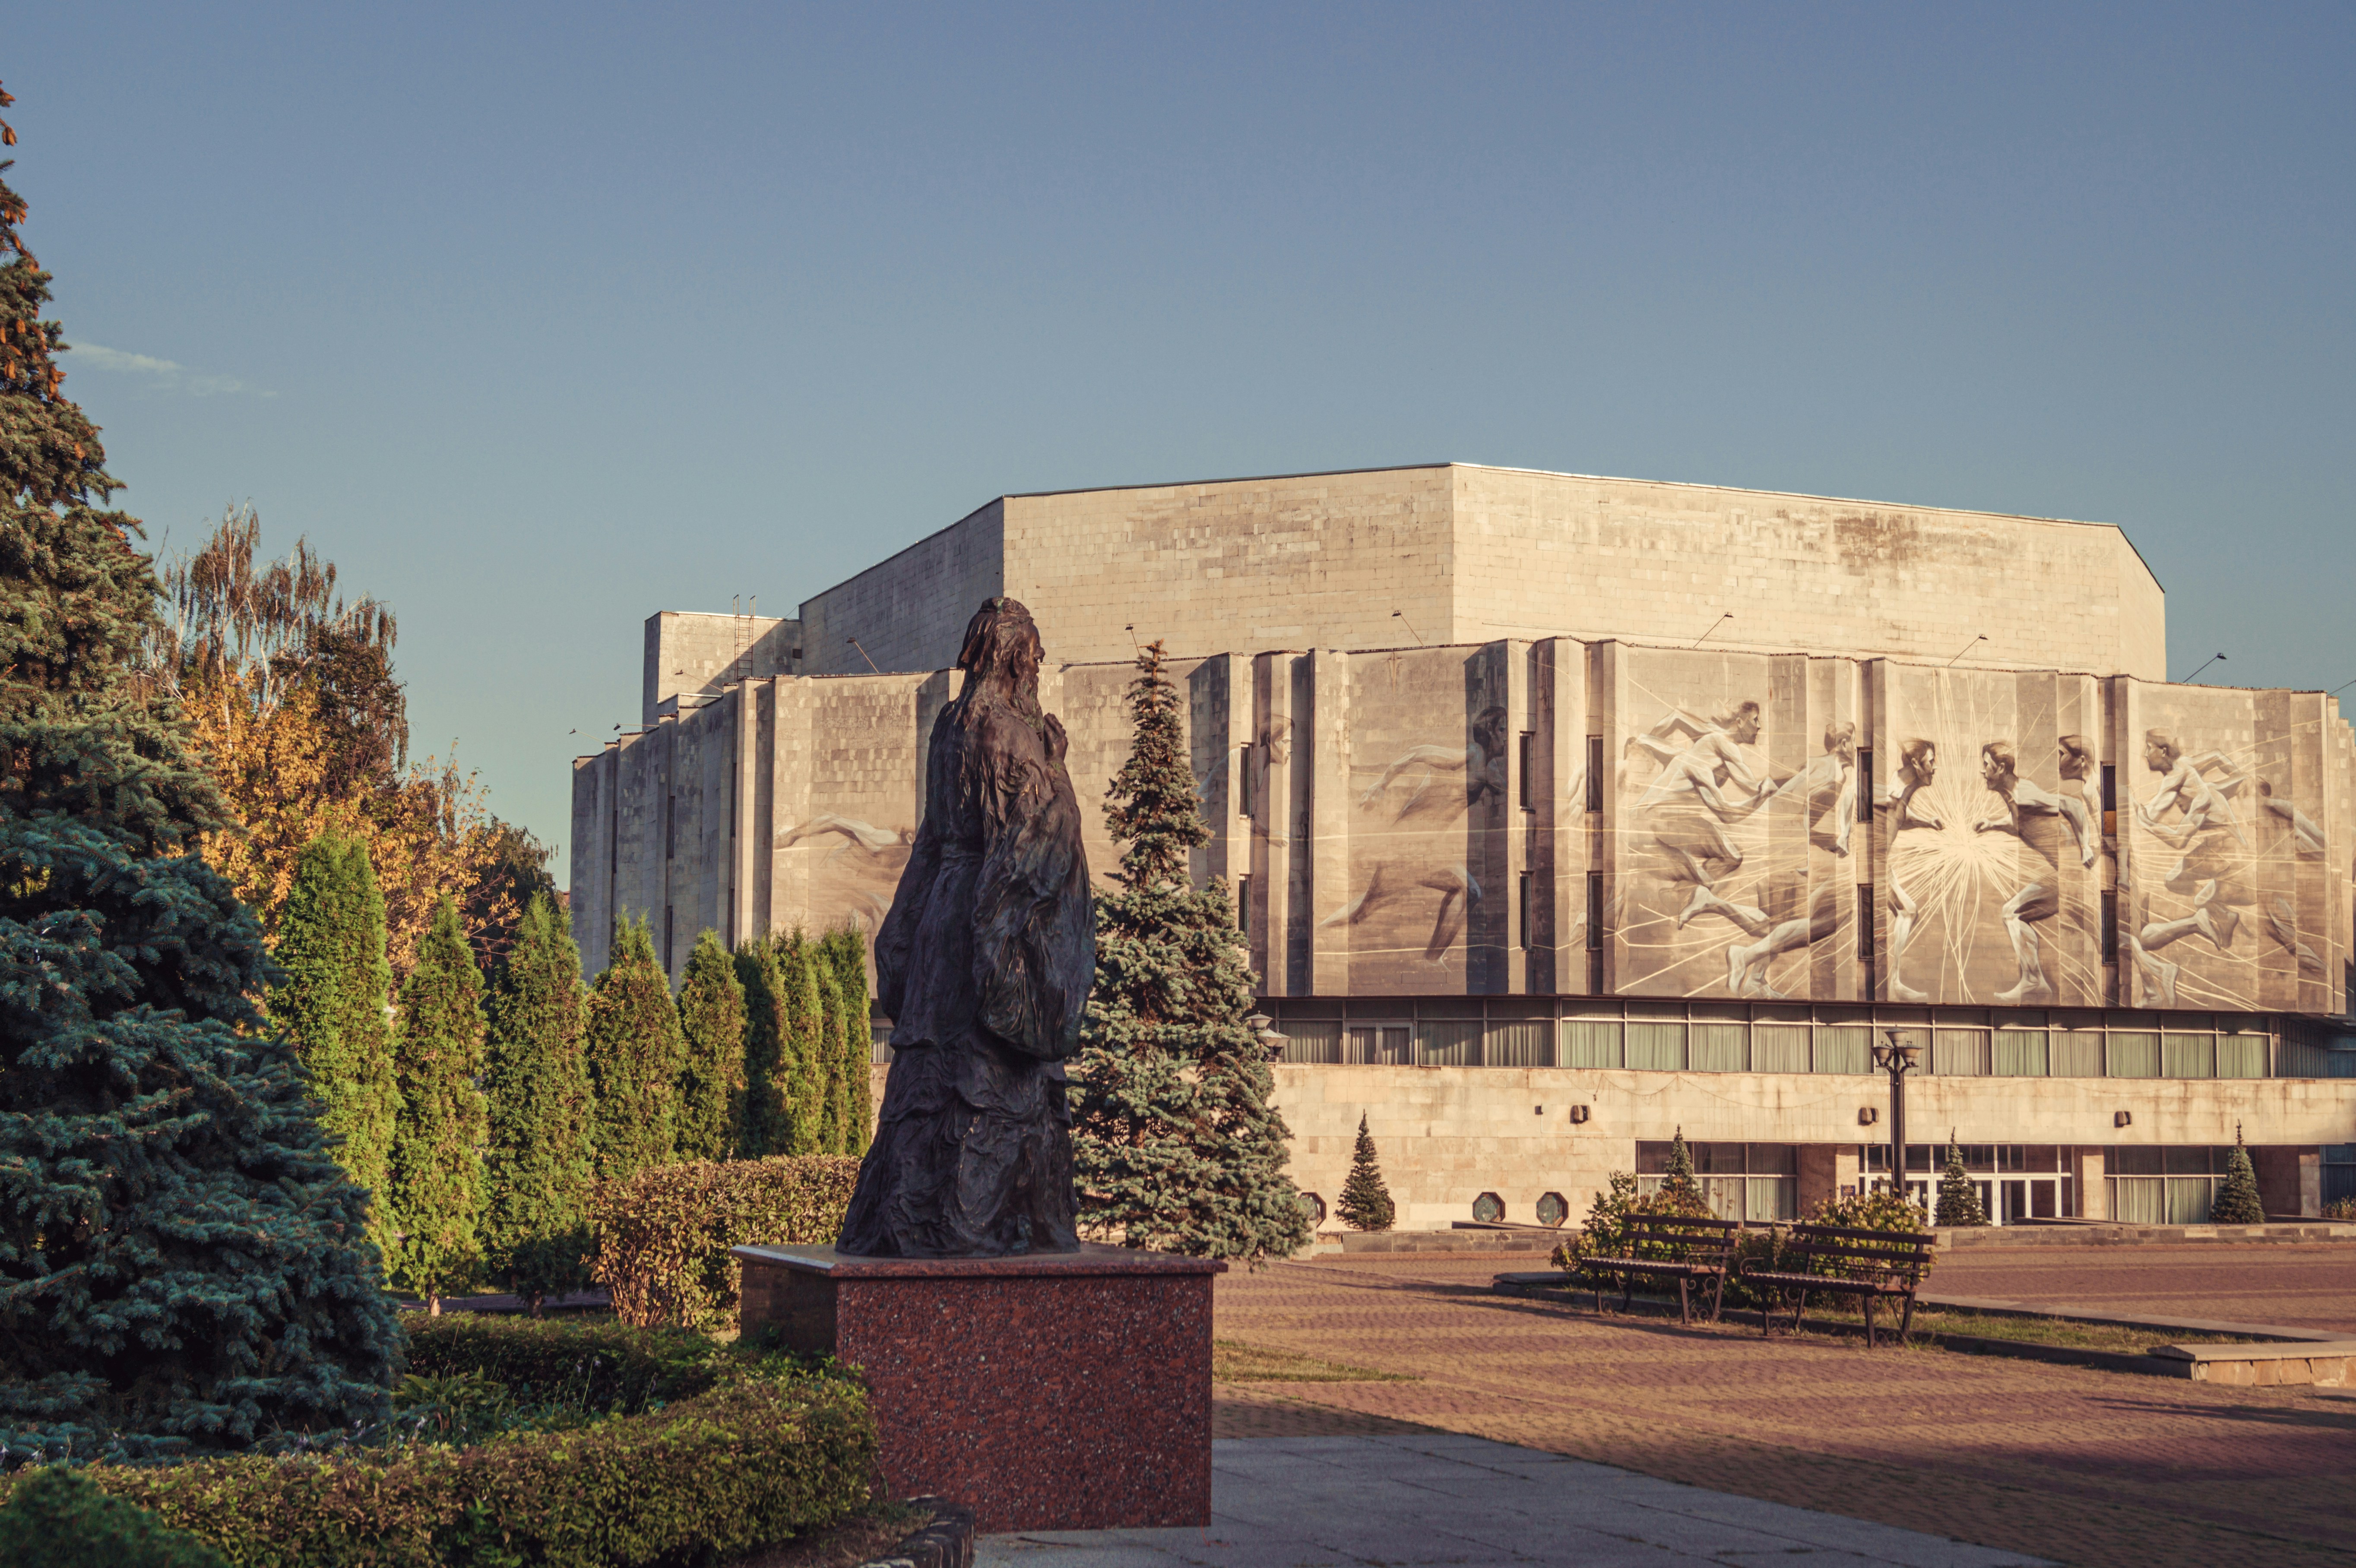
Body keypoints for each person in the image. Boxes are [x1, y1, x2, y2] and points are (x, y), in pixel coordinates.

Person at [836, 598, 1095, 1258]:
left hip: (941, 915)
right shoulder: (1009, 733)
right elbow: (1037, 837)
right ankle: (970, 1225)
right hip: (987, 914)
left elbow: (931, 839)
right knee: (994, 1072)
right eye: (1033, 656)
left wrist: (907, 928)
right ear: (1013, 659)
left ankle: (906, 1218)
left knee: (931, 1075)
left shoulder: (949, 727)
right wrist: (1057, 769)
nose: (1038, 666)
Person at [1325, 707, 1507, 964]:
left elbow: (1511, 792)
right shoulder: (1473, 753)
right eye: (1503, 730)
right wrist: (1381, 784)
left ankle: (1432, 959)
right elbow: (1417, 752)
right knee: (1367, 908)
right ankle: (1431, 959)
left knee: (1366, 907)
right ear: (1490, 731)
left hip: (1424, 847)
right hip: (1408, 842)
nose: (1507, 737)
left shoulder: (1491, 769)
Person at [1971, 740, 2096, 1005]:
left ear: (2001, 768)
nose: (1982, 771)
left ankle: (2033, 980)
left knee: (2012, 913)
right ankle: (2156, 969)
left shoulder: (2023, 794)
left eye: (1986, 765)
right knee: (2098, 931)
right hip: (2067, 874)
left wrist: (2085, 846)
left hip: (2070, 873)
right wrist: (1993, 824)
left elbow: (2072, 805)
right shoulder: (2015, 796)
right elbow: (2023, 822)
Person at [1881, 738, 1943, 1005]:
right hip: (1875, 865)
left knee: (1908, 911)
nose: (1935, 768)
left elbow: (1899, 817)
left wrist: (1927, 822)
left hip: (1881, 865)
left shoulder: (1901, 790)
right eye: (1931, 762)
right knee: (1908, 911)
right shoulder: (1891, 791)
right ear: (1917, 764)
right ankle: (1894, 983)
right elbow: (1859, 797)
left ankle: (1894, 982)